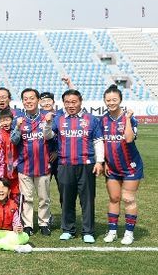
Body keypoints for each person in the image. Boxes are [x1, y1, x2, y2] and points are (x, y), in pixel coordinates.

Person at [52, 89, 104, 243]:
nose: (71, 105)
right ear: (63, 103)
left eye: (74, 102)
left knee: (87, 199)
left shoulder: (91, 119)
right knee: (66, 199)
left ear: (80, 102)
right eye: (67, 102)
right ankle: (68, 229)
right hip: (65, 164)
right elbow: (48, 136)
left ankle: (88, 231)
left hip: (86, 164)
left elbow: (98, 141)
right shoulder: (58, 119)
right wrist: (47, 124)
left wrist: (100, 161)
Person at [101, 85, 143, 245]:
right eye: (108, 100)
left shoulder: (129, 118)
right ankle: (112, 231)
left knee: (128, 198)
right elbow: (101, 143)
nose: (111, 103)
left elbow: (129, 139)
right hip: (112, 167)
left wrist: (127, 119)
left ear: (120, 100)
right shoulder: (102, 120)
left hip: (131, 166)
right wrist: (104, 162)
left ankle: (129, 233)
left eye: (114, 100)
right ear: (104, 101)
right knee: (114, 198)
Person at [11, 88, 55, 236]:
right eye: (25, 99)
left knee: (44, 198)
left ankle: (44, 223)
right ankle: (28, 225)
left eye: (31, 98)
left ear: (38, 100)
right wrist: (17, 127)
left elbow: (53, 137)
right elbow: (13, 140)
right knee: (26, 198)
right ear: (22, 101)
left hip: (43, 165)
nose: (28, 101)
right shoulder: (18, 119)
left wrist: (55, 151)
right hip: (24, 166)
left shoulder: (46, 117)